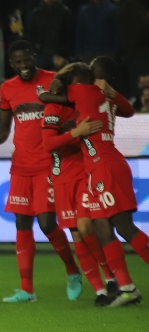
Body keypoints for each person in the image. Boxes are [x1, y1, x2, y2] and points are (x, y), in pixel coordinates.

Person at [39, 60, 148, 307]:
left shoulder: (83, 90)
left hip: (104, 166)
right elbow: (130, 111)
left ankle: (123, 285)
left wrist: (57, 83)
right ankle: (126, 287)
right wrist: (112, 91)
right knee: (102, 228)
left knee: (123, 227)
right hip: (100, 168)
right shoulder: (107, 97)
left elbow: (47, 96)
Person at [0, 41, 80, 303]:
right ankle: (27, 290)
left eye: (27, 60)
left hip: (48, 162)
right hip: (21, 165)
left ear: (34, 57)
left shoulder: (52, 81)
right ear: (11, 64)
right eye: (18, 62)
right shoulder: (7, 88)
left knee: (47, 223)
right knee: (22, 223)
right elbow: (4, 128)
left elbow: (72, 111)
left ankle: (72, 270)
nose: (24, 66)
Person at [40, 80, 118, 306]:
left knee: (86, 227)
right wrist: (77, 132)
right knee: (76, 235)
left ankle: (111, 277)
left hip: (85, 173)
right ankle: (100, 290)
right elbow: (48, 144)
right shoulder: (53, 110)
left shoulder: (82, 104)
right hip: (62, 179)